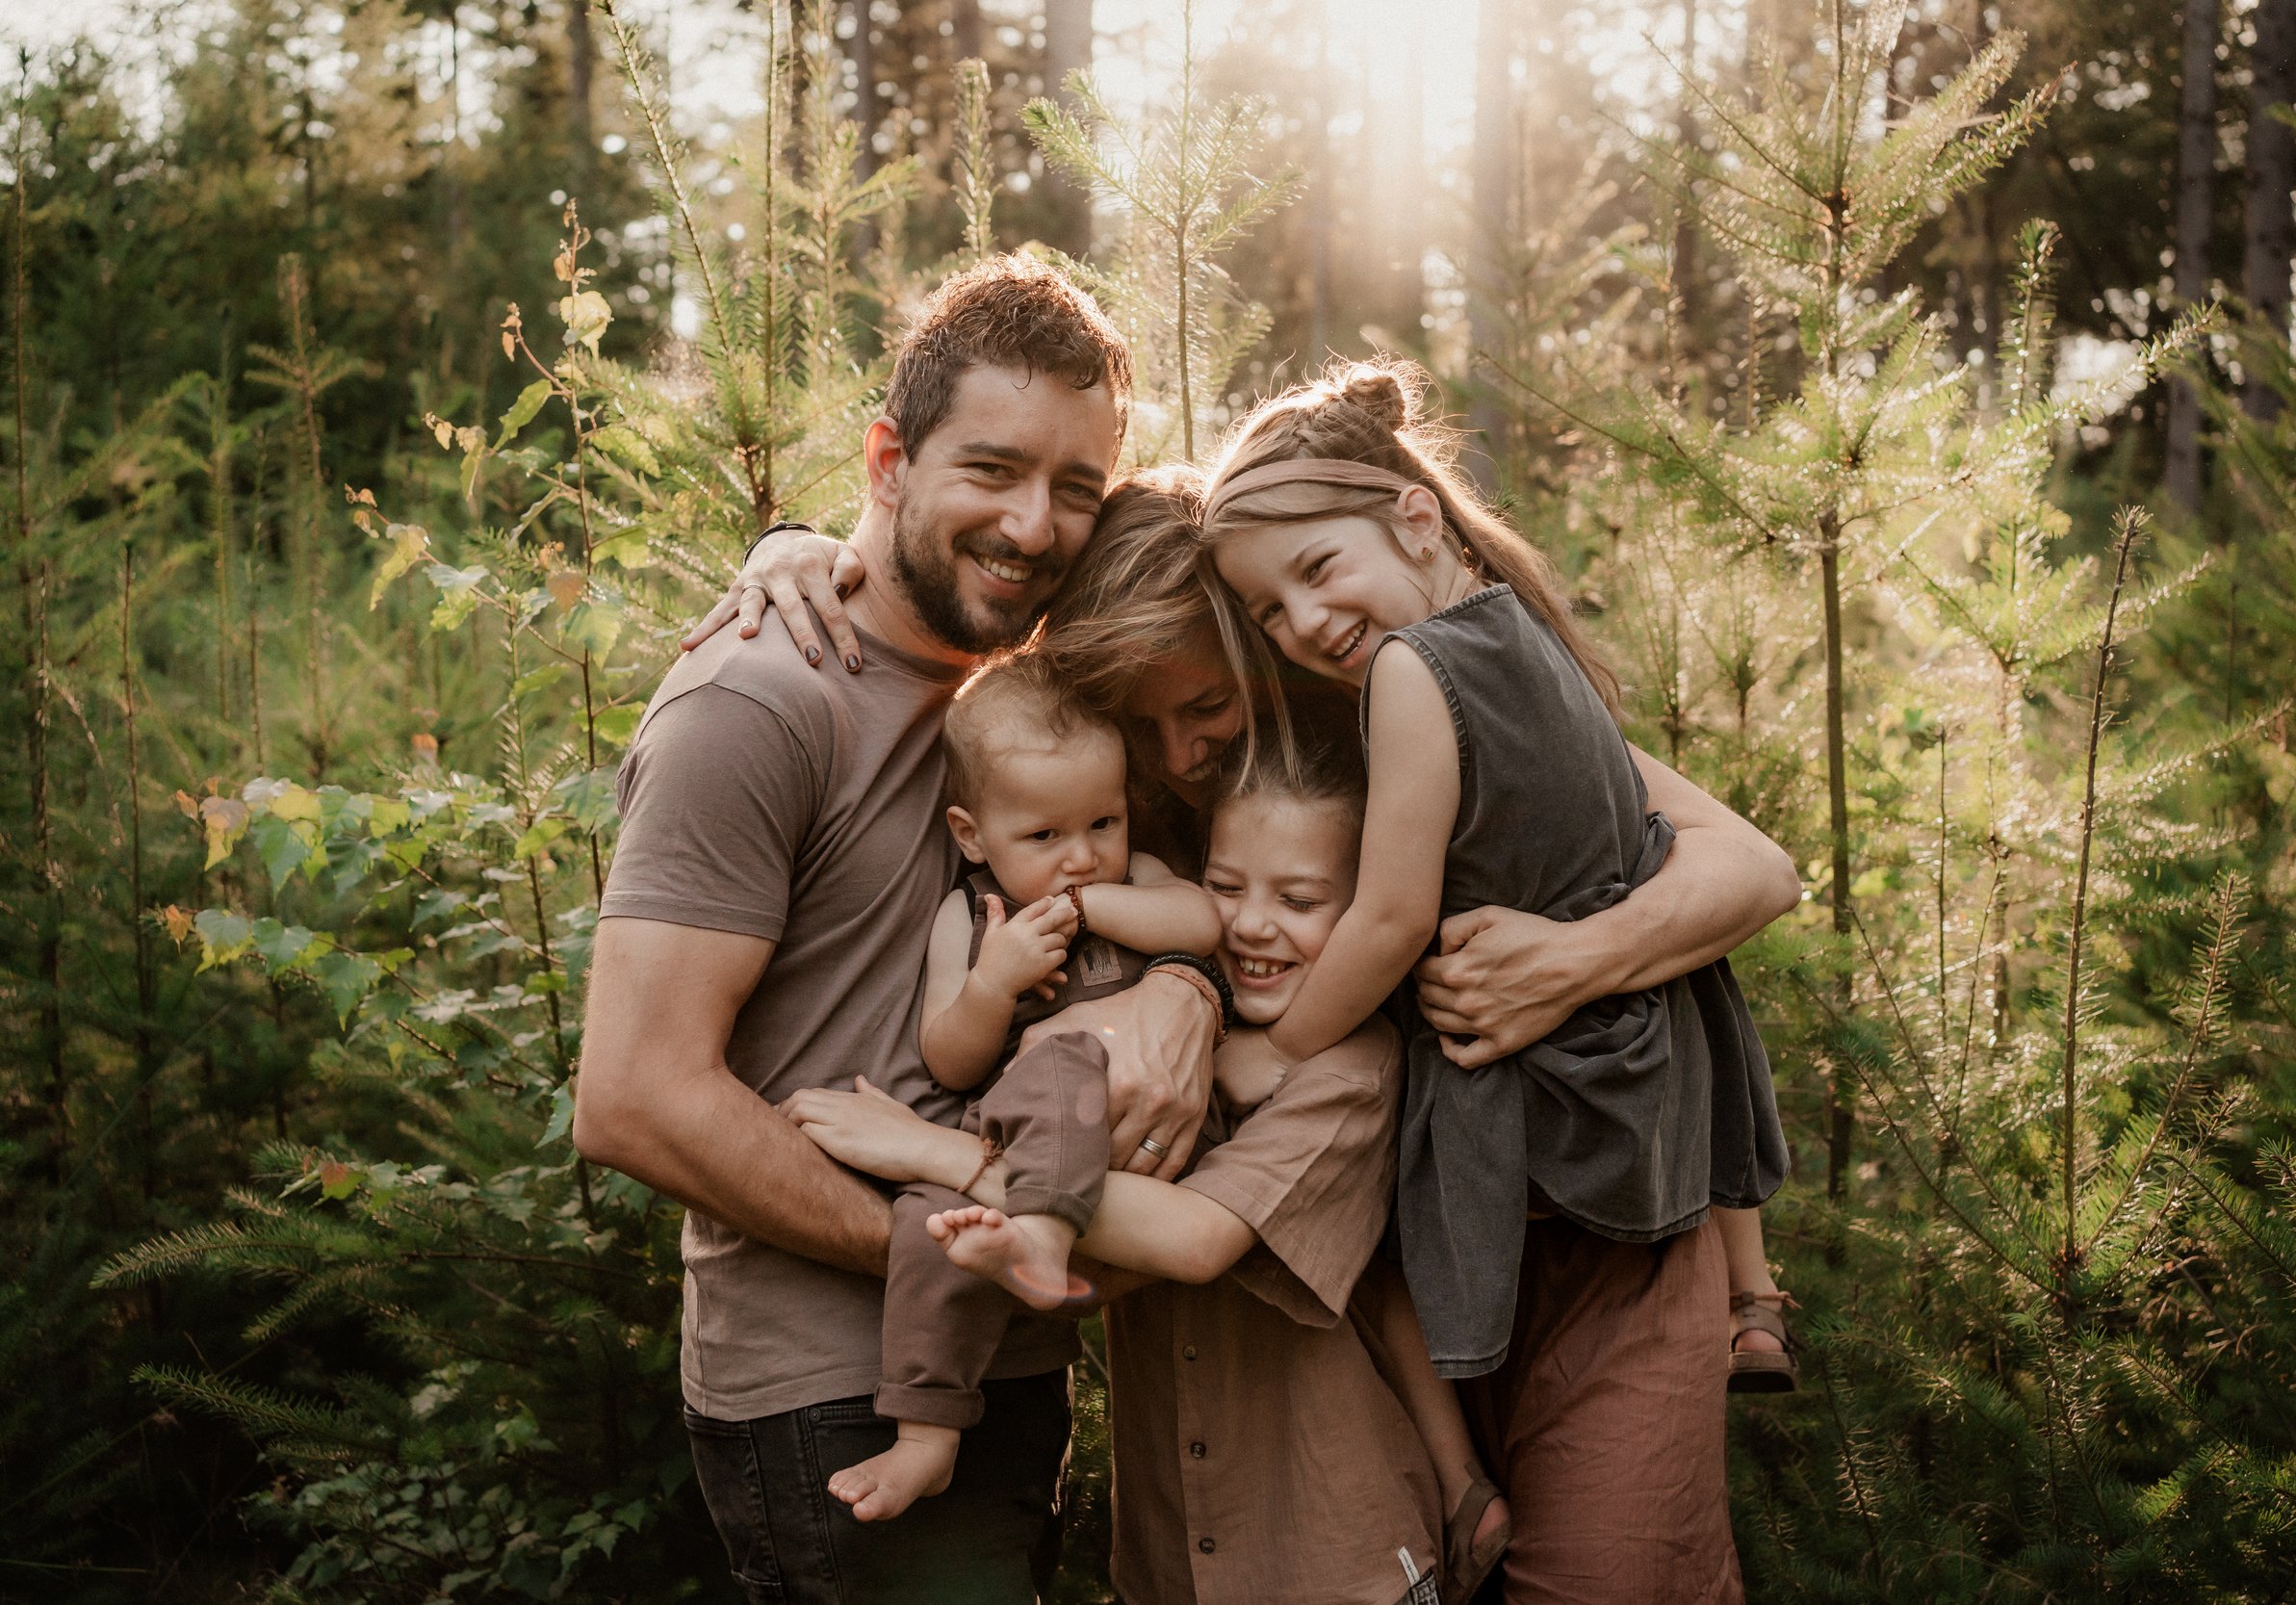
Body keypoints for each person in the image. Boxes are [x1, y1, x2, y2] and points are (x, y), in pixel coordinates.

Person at [703, 474, 1807, 1390]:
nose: (1177, 752)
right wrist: (796, 546)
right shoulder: (1100, 800)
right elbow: (982, 596)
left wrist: (1564, 962)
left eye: (1207, 707)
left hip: (1574, 1212)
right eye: (1141, 720)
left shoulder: (1379, 728)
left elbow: (1752, 866)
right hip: (1351, 1290)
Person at [573, 257, 1230, 1605]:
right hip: (838, 1392)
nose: (1035, 524)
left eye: (1075, 489)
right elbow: (634, 1098)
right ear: (889, 459)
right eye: (991, 468)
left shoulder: (1025, 705)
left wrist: (1186, 994)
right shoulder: (758, 702)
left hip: (994, 1376)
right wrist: (956, 1246)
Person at [1196, 358, 1794, 1602]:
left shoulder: (1437, 674)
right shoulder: (1438, 678)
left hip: (1606, 1231)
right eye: (1269, 609)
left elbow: (1757, 870)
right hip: (1466, 1234)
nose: (1302, 625)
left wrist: (1557, 966)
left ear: (1417, 516)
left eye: (1319, 570)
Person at [781, 738, 1512, 1605]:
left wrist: (933, 1152)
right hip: (1169, 1561)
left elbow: (1198, 1238)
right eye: (1228, 888)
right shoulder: (1167, 1034)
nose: (1250, 923)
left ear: (1361, 912)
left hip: (1330, 1554)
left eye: (1302, 899)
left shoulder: (1350, 1068)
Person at [837, 650, 1223, 1522]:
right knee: (928, 1224)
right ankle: (926, 1438)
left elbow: (1202, 922)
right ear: (973, 836)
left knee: (1072, 1052)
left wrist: (1092, 909)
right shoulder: (971, 917)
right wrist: (992, 983)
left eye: (1103, 823)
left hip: (1147, 1138)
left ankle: (1039, 1245)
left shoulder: (1132, 882)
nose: (1082, 857)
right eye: (1044, 838)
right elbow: (949, 1060)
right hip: (1020, 1137)